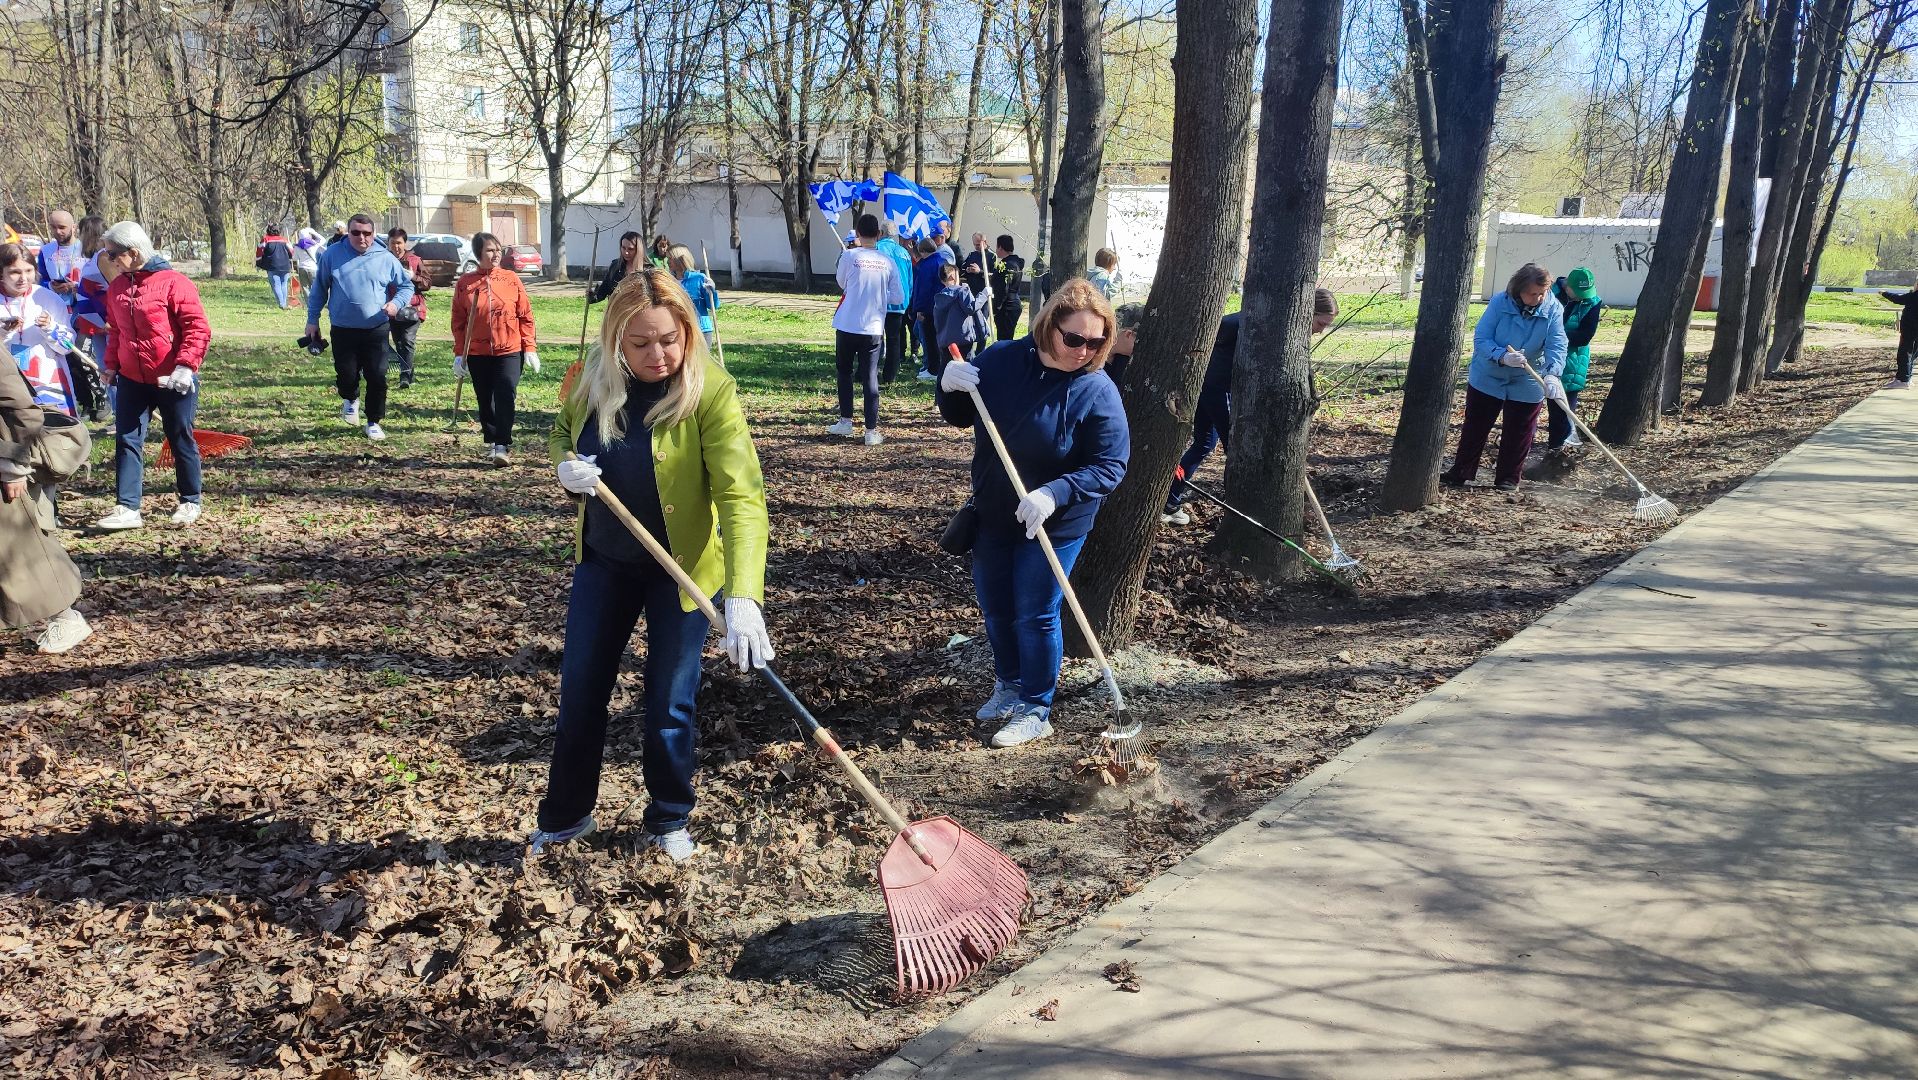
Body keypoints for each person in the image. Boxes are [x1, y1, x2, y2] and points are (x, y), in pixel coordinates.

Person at [534, 267, 773, 862]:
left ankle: (668, 818)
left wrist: (744, 594)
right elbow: (561, 432)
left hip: (682, 573)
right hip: (606, 562)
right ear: (617, 337)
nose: (658, 355)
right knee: (581, 691)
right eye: (640, 343)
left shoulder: (711, 391)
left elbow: (741, 496)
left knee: (669, 702)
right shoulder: (592, 376)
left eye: (669, 339)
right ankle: (565, 817)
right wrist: (565, 466)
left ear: (687, 332)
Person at [936, 279, 1130, 748]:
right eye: (1075, 338)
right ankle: (1008, 684)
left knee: (1036, 613)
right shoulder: (1002, 360)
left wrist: (1054, 493)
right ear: (1049, 327)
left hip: (1055, 523)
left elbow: (1111, 465)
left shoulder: (1096, 390)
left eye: (1097, 342)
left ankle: (1036, 707)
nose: (1084, 351)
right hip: (994, 512)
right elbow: (961, 414)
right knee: (997, 608)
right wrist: (949, 385)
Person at [1162, 289, 1337, 524]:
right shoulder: (1260, 322)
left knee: (1205, 443)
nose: (1320, 331)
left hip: (1211, 387)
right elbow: (1224, 326)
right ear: (1307, 312)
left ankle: (1168, 500)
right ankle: (1238, 511)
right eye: (1321, 323)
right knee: (1236, 448)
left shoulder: (1281, 326)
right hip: (1215, 389)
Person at [94, 221, 211, 530]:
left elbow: (197, 328)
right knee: (127, 439)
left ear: (133, 253)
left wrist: (186, 366)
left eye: (113, 254)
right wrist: (111, 365)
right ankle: (127, 507)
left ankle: (190, 500)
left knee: (179, 436)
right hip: (132, 379)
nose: (110, 261)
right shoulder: (117, 287)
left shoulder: (174, 283)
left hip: (172, 379)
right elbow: (116, 331)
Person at [1440, 264, 1567, 492]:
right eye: (1532, 293)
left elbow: (1557, 344)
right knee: (1476, 426)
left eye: (1542, 293)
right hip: (1489, 374)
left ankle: (1508, 478)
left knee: (1520, 430)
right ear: (1519, 290)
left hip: (1528, 377)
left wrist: (1552, 374)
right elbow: (1482, 338)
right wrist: (1502, 356)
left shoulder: (1553, 309)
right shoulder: (1500, 302)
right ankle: (1461, 471)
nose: (1538, 298)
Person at [1, 341, 91, 653]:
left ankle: (66, 618)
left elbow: (21, 409)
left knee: (21, 549)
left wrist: (13, 463)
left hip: (5, 464)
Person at [306, 213, 414, 441]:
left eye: (367, 233)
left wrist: (395, 304)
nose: (362, 238)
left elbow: (406, 287)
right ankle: (350, 398)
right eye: (356, 233)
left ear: (373, 234)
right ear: (348, 233)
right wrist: (312, 320)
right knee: (346, 374)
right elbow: (319, 289)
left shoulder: (385, 257)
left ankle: (373, 421)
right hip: (343, 327)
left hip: (376, 327)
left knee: (377, 376)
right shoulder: (332, 255)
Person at [452, 232, 539, 467]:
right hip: (477, 352)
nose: (496, 254)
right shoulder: (466, 283)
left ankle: (502, 445)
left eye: (498, 249)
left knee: (506, 392)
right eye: (490, 250)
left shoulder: (511, 279)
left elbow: (525, 315)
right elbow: (458, 321)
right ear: (478, 253)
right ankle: (491, 440)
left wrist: (529, 348)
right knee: (485, 398)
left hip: (509, 349)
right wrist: (459, 353)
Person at [828, 214, 903, 446]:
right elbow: (898, 297)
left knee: (844, 372)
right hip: (873, 328)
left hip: (847, 324)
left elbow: (842, 283)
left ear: (858, 234)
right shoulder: (887, 261)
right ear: (878, 235)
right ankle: (871, 431)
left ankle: (846, 421)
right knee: (870, 377)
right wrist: (879, 294)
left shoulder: (849, 256)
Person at [1548, 267, 1602, 449]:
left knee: (1563, 409)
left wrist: (1556, 336)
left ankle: (1558, 449)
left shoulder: (1592, 303)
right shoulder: (1551, 294)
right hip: (1545, 357)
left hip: (1573, 362)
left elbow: (1584, 336)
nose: (1582, 297)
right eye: (1578, 292)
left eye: (1585, 292)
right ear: (1567, 286)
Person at [386, 228, 430, 390]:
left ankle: (405, 375)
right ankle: (409, 371)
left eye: (399, 243)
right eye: (393, 243)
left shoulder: (415, 260)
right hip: (391, 309)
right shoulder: (384, 260)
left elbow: (427, 283)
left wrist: (414, 277)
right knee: (399, 342)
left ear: (405, 243)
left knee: (407, 340)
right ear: (388, 243)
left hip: (412, 309)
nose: (396, 247)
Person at [911, 236, 955, 378]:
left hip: (928, 307)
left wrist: (918, 309)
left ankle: (933, 369)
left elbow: (922, 289)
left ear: (923, 251)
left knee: (929, 339)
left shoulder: (925, 266)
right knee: (938, 338)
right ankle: (937, 367)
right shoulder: (943, 261)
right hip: (942, 304)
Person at [877, 224, 914, 383]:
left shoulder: (876, 249)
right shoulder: (904, 252)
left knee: (874, 339)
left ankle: (870, 371)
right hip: (900, 303)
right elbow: (910, 280)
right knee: (894, 339)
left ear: (881, 232)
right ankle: (890, 375)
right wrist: (907, 299)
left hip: (879, 301)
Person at [933, 261, 988, 362]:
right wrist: (984, 294)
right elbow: (971, 308)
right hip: (963, 338)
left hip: (945, 340)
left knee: (947, 365)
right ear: (953, 277)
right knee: (966, 366)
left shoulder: (940, 297)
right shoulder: (962, 291)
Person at [667, 244, 719, 350]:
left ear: (680, 259)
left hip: (701, 329)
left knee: (701, 359)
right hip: (678, 328)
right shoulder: (669, 281)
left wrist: (712, 291)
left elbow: (713, 306)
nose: (668, 262)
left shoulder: (699, 279)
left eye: (670, 258)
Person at [35, 211, 82, 301]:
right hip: (55, 304)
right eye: (53, 227)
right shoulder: (45, 251)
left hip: (82, 305)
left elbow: (97, 283)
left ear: (73, 227)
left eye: (62, 227)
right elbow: (41, 281)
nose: (57, 231)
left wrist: (77, 286)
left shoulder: (86, 249)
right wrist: (51, 286)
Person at [987, 235, 1026, 343]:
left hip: (1007, 307)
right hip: (1012, 304)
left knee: (1004, 338)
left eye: (996, 247)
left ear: (1000, 247)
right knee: (1006, 337)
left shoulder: (1007, 265)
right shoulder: (1015, 262)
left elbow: (1003, 289)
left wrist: (996, 308)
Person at [591, 231, 644, 304]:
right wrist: (593, 295)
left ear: (638, 249)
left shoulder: (648, 270)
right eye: (623, 248)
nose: (626, 252)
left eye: (630, 249)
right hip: (616, 309)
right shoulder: (615, 266)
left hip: (639, 309)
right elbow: (604, 289)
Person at [1882, 284, 1918, 388]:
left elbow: (1897, 299)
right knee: (1912, 356)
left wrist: (1884, 293)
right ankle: (1907, 378)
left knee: (1904, 355)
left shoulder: (1913, 296)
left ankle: (1903, 380)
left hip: (1909, 331)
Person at [256, 225, 294, 310]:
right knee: (284, 284)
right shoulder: (284, 240)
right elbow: (292, 252)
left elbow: (259, 252)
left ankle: (282, 304)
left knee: (276, 284)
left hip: (272, 266)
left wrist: (259, 263)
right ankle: (284, 304)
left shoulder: (265, 240)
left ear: (268, 231)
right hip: (285, 266)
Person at [292, 226, 325, 291]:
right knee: (316, 288)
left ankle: (308, 298)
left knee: (306, 289)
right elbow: (323, 240)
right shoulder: (314, 245)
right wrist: (313, 232)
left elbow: (295, 258)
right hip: (313, 268)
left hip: (302, 268)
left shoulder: (297, 247)